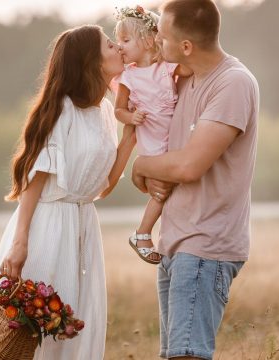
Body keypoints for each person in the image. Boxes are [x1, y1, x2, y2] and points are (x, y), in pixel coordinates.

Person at [0, 25, 134, 360]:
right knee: (40, 332)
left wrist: (131, 137)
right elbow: (35, 180)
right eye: (110, 45)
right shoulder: (62, 109)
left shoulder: (105, 113)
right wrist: (20, 241)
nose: (119, 49)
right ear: (92, 61)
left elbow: (103, 187)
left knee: (78, 323)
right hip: (48, 226)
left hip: (84, 226)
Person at [131, 0, 260, 359]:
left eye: (163, 34)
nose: (157, 39)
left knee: (187, 355)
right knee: (176, 355)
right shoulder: (183, 76)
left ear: (186, 45)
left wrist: (141, 165)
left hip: (205, 245)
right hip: (177, 242)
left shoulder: (233, 83)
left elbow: (189, 167)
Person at [113, 5, 191, 265]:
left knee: (171, 189)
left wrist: (166, 40)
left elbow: (189, 70)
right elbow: (119, 110)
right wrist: (131, 117)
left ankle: (158, 233)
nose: (119, 46)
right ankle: (142, 233)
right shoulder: (129, 77)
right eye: (117, 41)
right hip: (153, 145)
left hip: (174, 141)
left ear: (148, 41)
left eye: (125, 40)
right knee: (161, 191)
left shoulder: (166, 68)